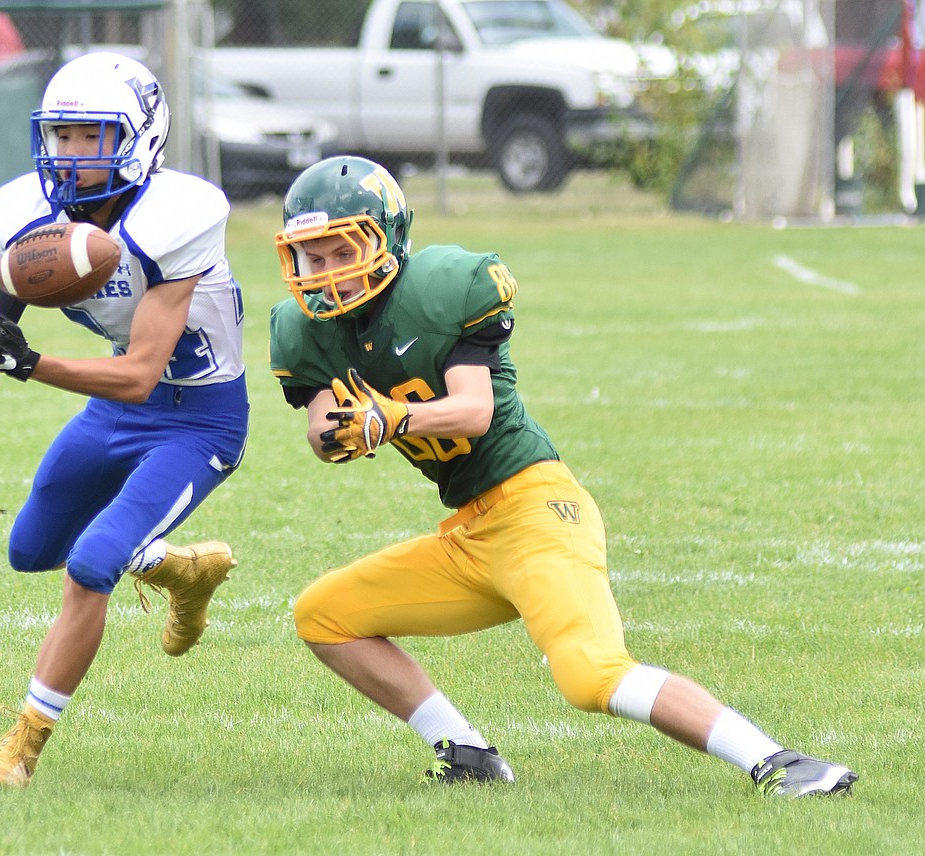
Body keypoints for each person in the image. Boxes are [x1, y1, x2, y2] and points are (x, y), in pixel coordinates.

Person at [267, 155, 856, 797]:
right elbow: (324, 428)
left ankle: (782, 762)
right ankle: (467, 754)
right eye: (312, 258)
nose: (327, 275)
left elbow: (472, 410)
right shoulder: (308, 332)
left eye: (339, 252)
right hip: (471, 535)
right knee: (323, 614)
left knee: (589, 675)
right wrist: (338, 435)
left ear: (386, 241)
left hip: (538, 511)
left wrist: (393, 417)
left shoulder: (440, 291)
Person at [0, 52, 249, 792]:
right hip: (112, 409)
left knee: (90, 564)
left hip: (196, 420)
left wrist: (27, 364)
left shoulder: (181, 214)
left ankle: (22, 747)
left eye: (91, 137)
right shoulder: (30, 210)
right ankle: (183, 568)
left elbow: (142, 373)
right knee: (30, 548)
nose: (70, 156)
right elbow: (7, 289)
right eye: (62, 137)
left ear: (140, 137)